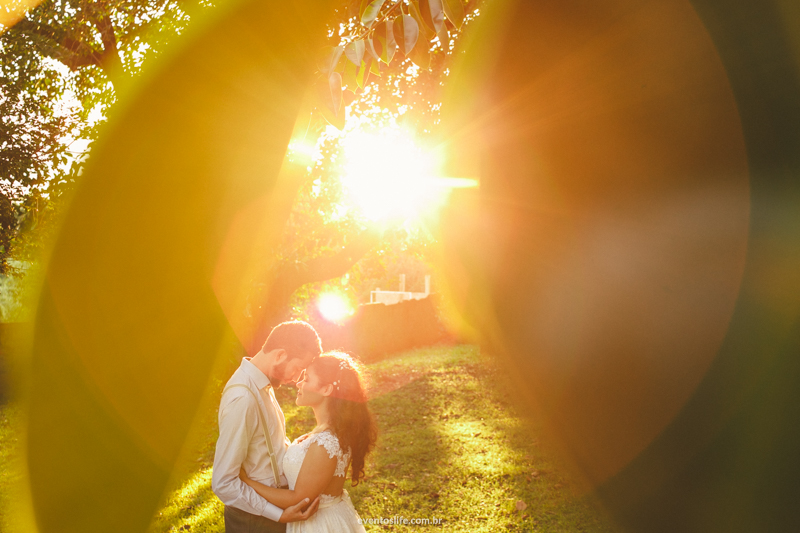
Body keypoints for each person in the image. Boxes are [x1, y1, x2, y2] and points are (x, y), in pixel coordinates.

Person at [239, 351, 378, 533]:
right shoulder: (328, 432)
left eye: (306, 379)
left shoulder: (326, 443)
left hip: (320, 525)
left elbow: (298, 499)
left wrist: (246, 481)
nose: (299, 383)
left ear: (326, 390)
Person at [212, 320, 324, 532]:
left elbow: (267, 446)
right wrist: (278, 515)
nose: (296, 378)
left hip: (272, 509)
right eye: (298, 368)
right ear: (280, 355)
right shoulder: (243, 398)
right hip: (254, 521)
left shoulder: (262, 384)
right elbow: (223, 483)